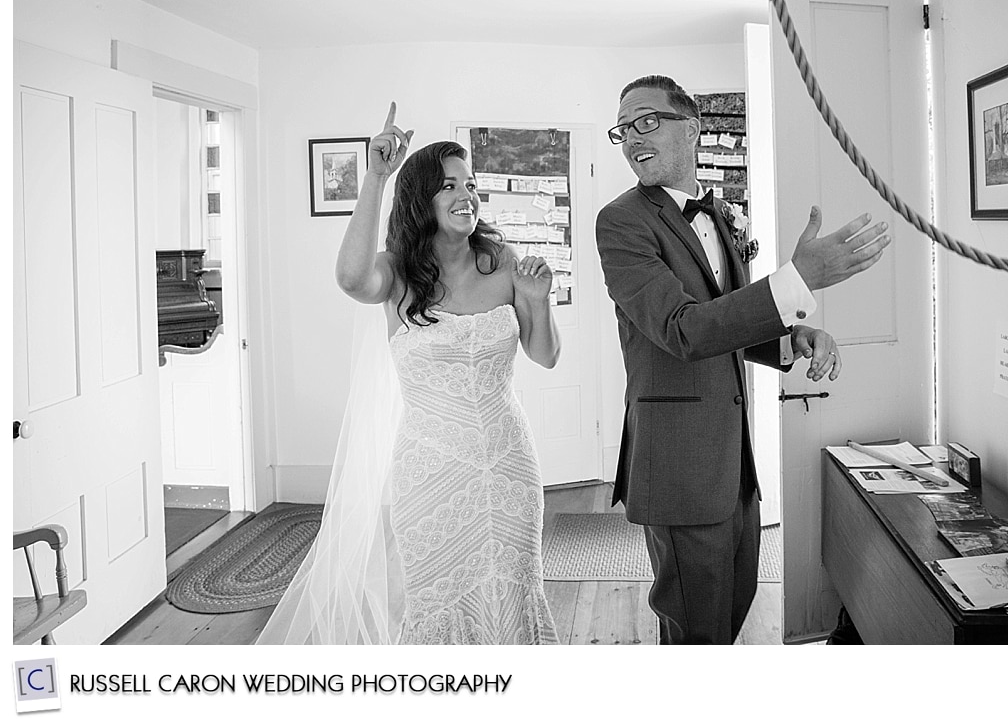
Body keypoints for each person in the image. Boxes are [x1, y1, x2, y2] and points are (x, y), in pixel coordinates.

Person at [595, 75, 890, 645]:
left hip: (734, 467)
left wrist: (790, 339)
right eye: (623, 128)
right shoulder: (621, 222)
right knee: (696, 634)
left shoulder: (720, 216)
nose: (632, 137)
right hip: (679, 466)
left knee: (730, 617)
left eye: (647, 120)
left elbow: (725, 321)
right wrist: (798, 279)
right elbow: (683, 330)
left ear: (693, 127)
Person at [258, 104, 560, 644]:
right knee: (437, 603)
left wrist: (540, 302)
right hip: (430, 472)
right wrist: (376, 177)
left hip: (507, 465)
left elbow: (545, 355)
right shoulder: (396, 273)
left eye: (469, 184)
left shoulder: (503, 261)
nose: (464, 195)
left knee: (513, 593)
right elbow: (350, 278)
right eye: (448, 186)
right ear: (422, 199)